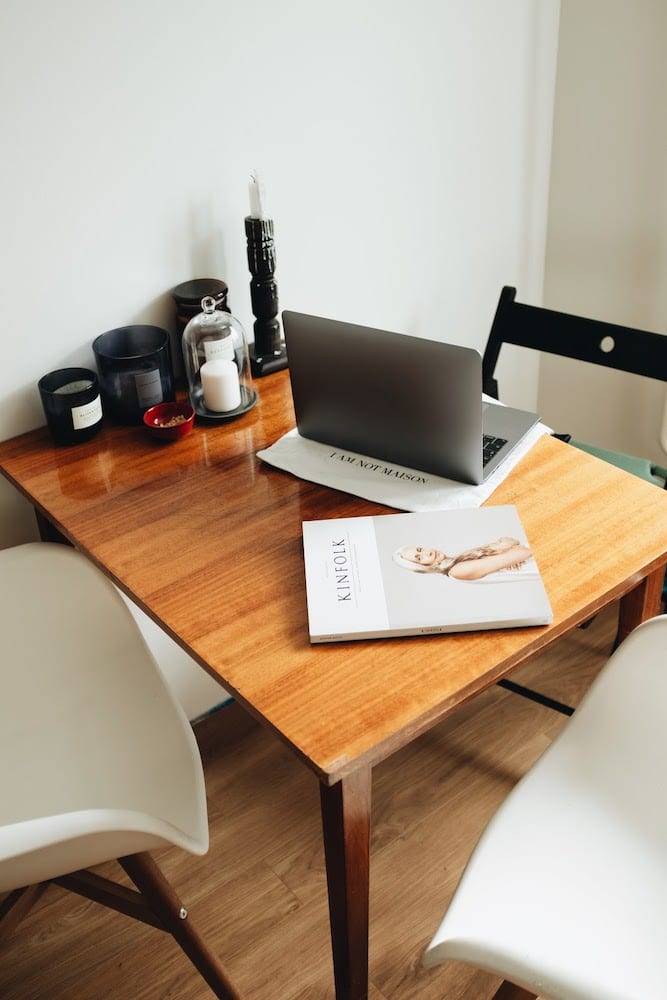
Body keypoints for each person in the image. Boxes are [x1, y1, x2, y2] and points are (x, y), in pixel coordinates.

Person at [393, 536, 534, 581]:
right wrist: (509, 550)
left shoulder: (459, 559)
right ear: (421, 567)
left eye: (420, 549)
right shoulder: (457, 571)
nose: (426, 553)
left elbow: (508, 540)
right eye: (419, 558)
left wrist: (508, 548)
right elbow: (523, 552)